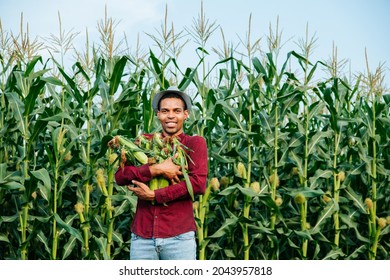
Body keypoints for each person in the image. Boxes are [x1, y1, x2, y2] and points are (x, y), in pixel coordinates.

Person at [115, 86, 208, 260]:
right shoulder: (143, 142)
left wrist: (154, 195)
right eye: (165, 111)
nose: (170, 116)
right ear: (158, 114)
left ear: (186, 114)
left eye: (176, 111)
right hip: (142, 238)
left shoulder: (195, 143)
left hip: (179, 238)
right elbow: (120, 177)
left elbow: (198, 184)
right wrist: (155, 169)